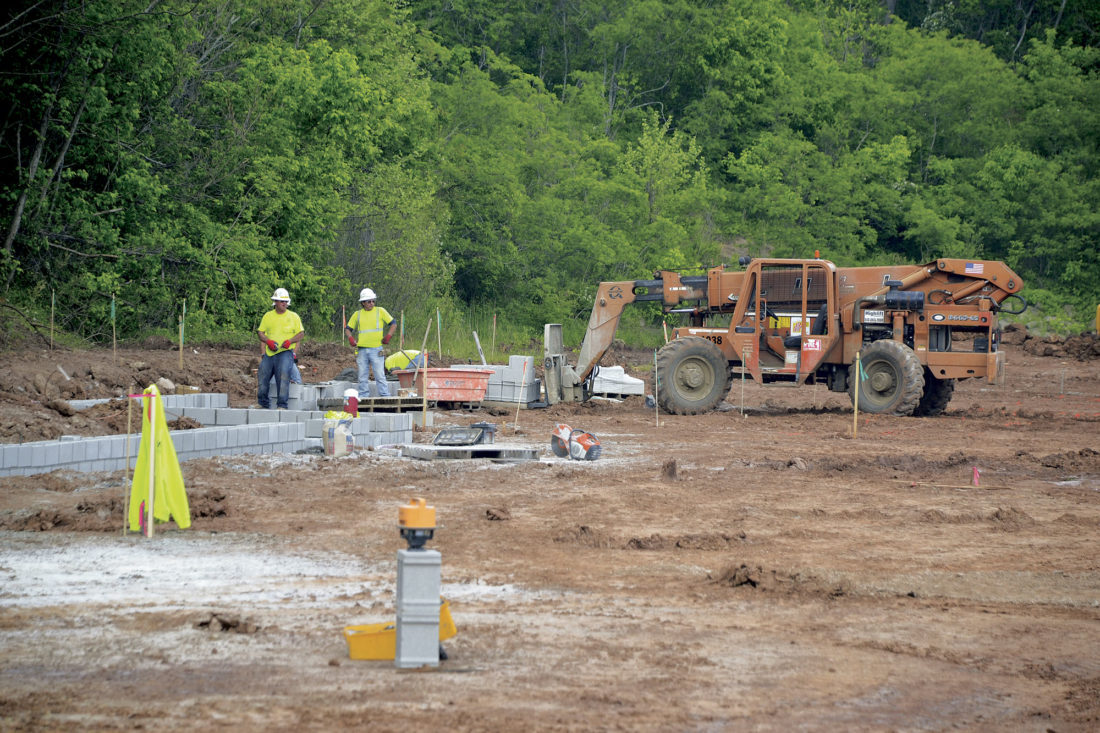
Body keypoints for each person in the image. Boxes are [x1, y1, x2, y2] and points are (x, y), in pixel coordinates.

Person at [345, 287, 396, 400]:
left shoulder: (380, 311)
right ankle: (363, 397)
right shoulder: (357, 314)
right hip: (362, 349)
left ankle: (385, 396)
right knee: (362, 376)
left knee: (379, 375)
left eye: (373, 301)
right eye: (369, 301)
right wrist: (351, 339)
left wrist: (388, 336)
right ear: (363, 303)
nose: (372, 303)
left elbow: (393, 323)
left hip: (376, 349)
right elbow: (348, 329)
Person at [257, 287, 304, 409]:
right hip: (270, 353)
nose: (284, 303)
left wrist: (290, 341)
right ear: (275, 302)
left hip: (285, 353)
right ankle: (263, 403)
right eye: (282, 301)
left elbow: (301, 334)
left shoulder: (293, 317)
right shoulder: (268, 316)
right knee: (262, 375)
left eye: (286, 301)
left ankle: (282, 405)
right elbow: (260, 332)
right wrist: (268, 342)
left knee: (283, 377)